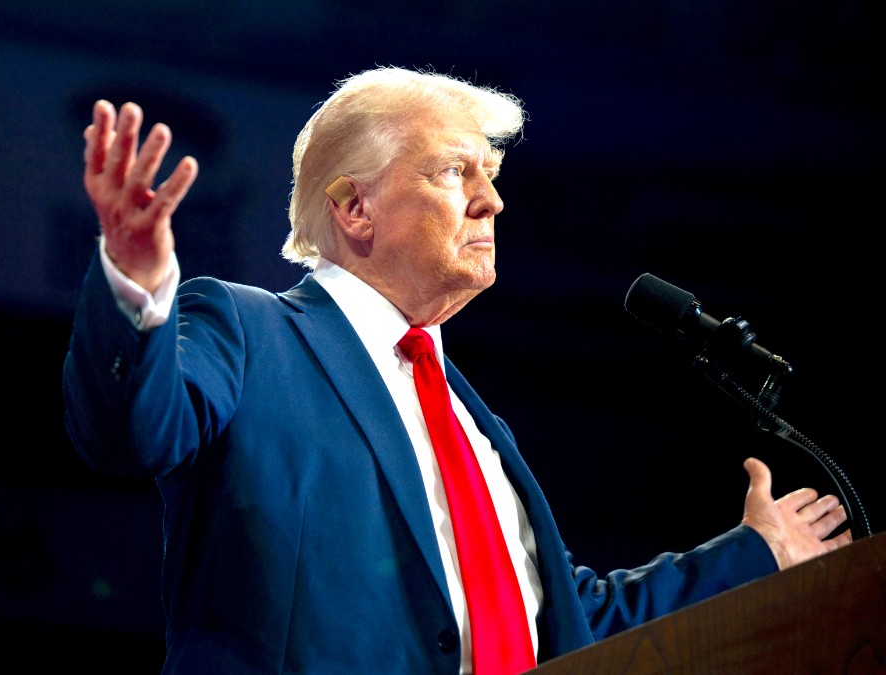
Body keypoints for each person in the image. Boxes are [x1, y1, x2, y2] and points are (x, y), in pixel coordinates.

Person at [61, 66, 852, 674]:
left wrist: (757, 553)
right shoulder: (251, 332)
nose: (492, 203)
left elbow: (566, 624)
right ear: (355, 209)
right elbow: (134, 429)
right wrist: (136, 288)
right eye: (454, 173)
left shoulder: (480, 430)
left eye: (492, 177)